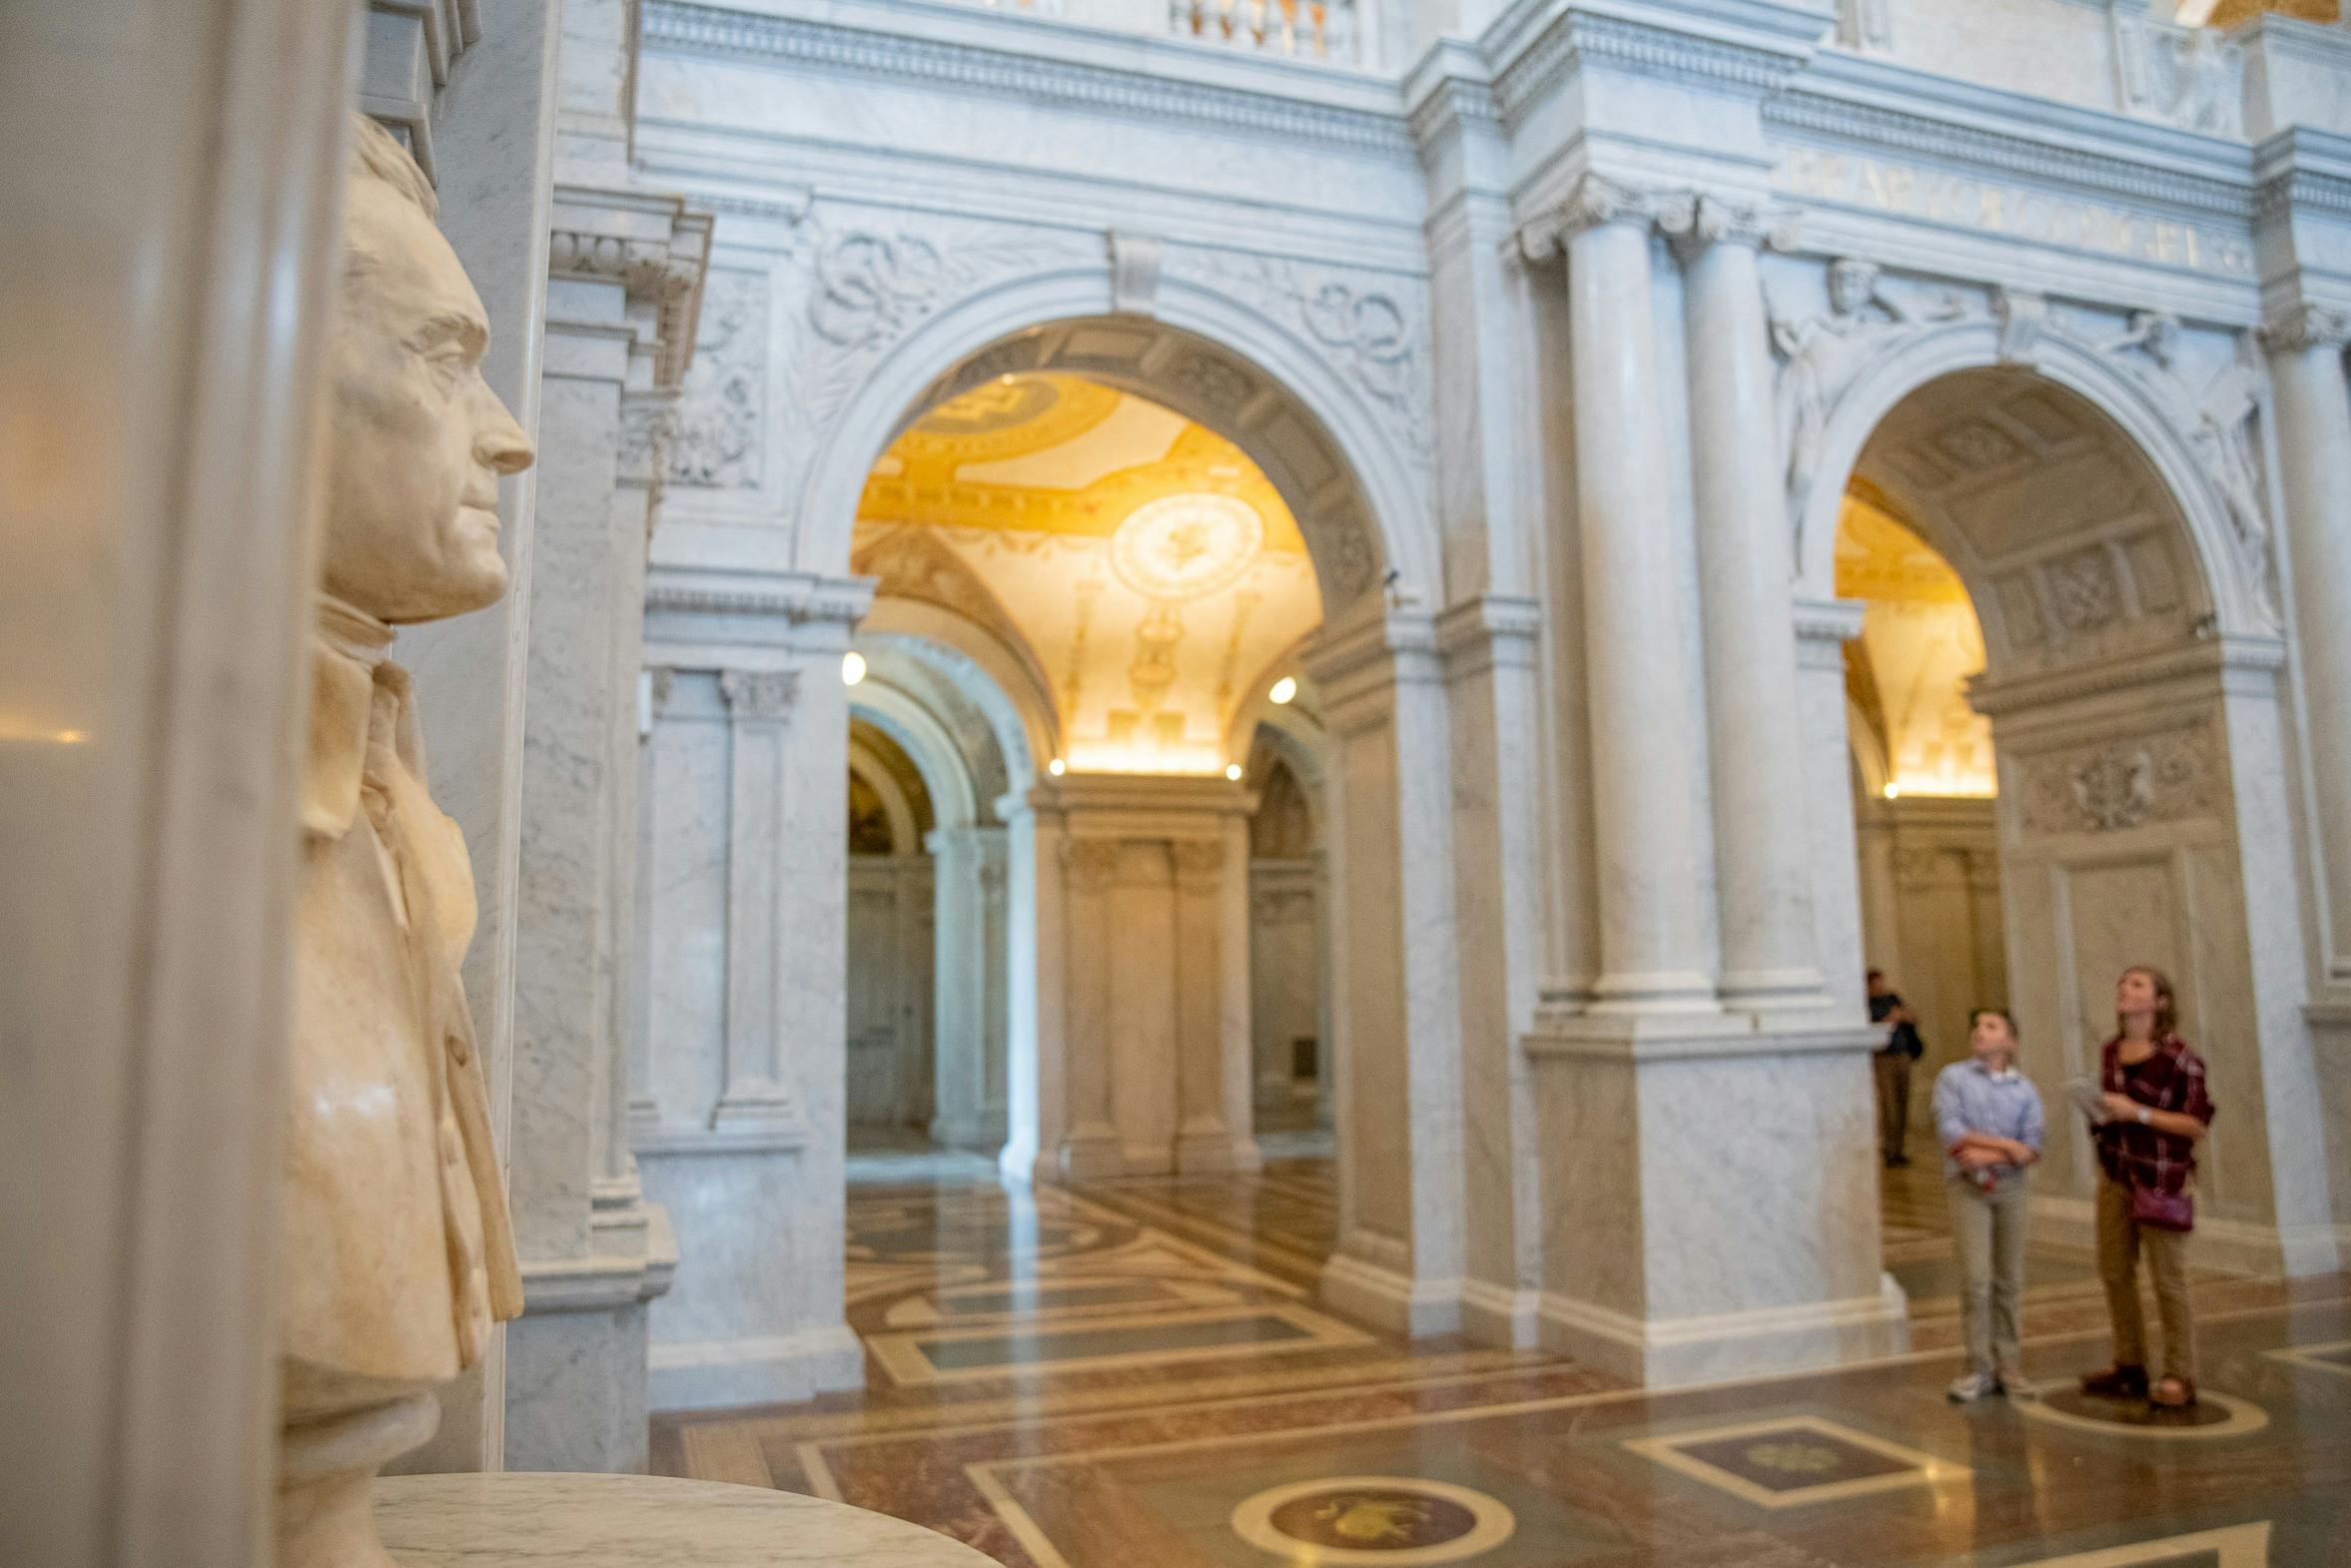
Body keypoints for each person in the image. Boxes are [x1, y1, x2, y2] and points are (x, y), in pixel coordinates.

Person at [2078, 966, 2215, 1410]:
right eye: (2122, 983)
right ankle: (2129, 1363)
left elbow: (2194, 1123)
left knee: (2168, 1280)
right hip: (2117, 1174)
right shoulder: (2110, 1052)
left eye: (2137, 985)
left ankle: (2180, 1373)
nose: (2124, 989)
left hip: (2161, 1180)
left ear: (2159, 1001)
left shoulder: (2180, 1059)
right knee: (2115, 1271)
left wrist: (2136, 1113)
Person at [1933, 1008, 2044, 1402]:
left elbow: (2033, 1143)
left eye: (1991, 1026)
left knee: (2008, 1279)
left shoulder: (2024, 1089)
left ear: (2009, 1042)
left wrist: (1991, 1155)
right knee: (1976, 1280)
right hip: (1968, 1188)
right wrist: (2005, 1147)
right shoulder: (1954, 1078)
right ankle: (1976, 1364)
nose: (1980, 1031)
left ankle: (2008, 1363)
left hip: (2011, 1187)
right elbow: (1951, 1130)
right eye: (1977, 1025)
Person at [1868, 969, 1925, 1167]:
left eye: (1881, 982)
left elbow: (1912, 1018)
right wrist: (1889, 1020)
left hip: (1902, 1054)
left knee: (1902, 1102)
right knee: (1888, 1105)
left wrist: (1903, 1016)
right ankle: (1889, 1150)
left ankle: (1899, 1148)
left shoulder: (1893, 998)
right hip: (1883, 1058)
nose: (1881, 987)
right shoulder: (1867, 1005)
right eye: (1876, 984)